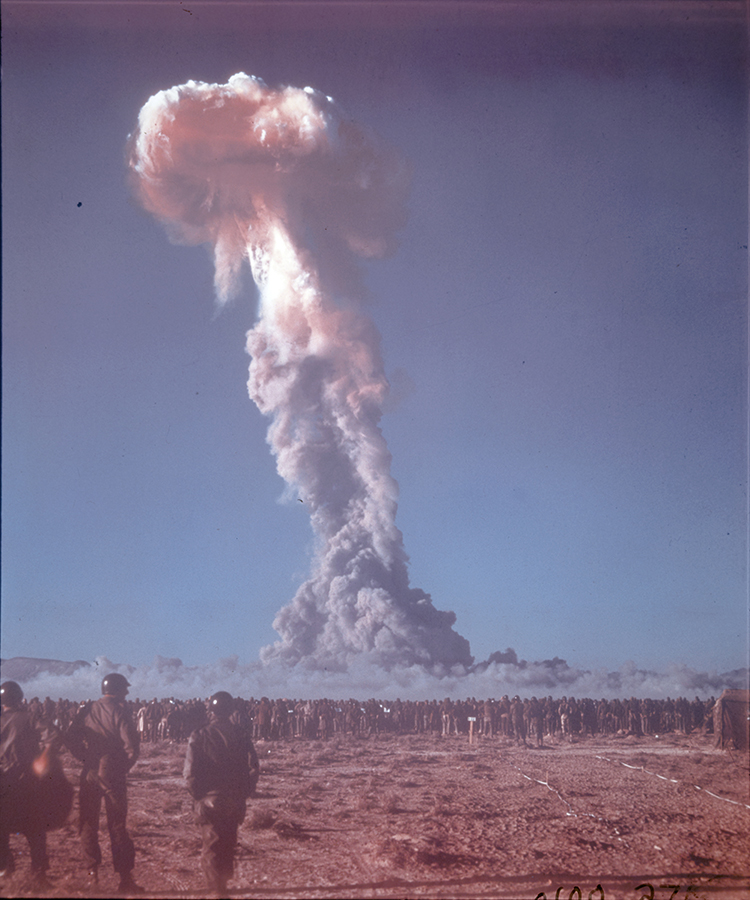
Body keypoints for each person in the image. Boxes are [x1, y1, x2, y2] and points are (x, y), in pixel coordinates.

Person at [66, 673, 143, 894]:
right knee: (117, 825)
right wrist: (122, 767)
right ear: (118, 690)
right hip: (112, 773)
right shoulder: (120, 711)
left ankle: (93, 876)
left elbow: (70, 737)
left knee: (88, 823)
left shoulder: (87, 710)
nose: (127, 693)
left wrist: (85, 757)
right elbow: (132, 747)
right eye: (125, 689)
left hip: (89, 772)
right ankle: (125, 880)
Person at [184, 691, 259, 896]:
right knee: (228, 842)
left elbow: (190, 773)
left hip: (210, 799)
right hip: (234, 798)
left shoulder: (199, 735)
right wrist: (243, 793)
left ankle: (217, 890)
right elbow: (253, 766)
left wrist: (199, 797)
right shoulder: (241, 734)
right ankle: (222, 886)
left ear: (211, 711)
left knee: (212, 846)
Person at [0, 680, 70, 889]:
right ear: (20, 697)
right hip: (28, 782)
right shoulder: (30, 718)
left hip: (3, 782)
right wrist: (44, 758)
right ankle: (38, 874)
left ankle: (4, 870)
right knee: (35, 830)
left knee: (1, 827)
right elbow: (55, 736)